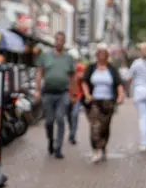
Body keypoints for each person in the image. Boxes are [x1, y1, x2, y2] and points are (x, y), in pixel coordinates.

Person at [80, 43, 125, 163]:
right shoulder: (91, 67)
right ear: (96, 54)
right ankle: (95, 150)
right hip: (94, 101)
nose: (101, 56)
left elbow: (118, 83)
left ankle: (103, 146)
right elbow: (84, 81)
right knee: (95, 126)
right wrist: (87, 95)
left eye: (103, 53)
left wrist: (120, 96)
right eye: (99, 53)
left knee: (105, 127)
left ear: (106, 55)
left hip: (108, 101)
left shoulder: (111, 69)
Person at [35, 31, 76, 159]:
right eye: (57, 39)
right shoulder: (46, 56)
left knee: (60, 119)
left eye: (61, 40)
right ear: (54, 41)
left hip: (62, 93)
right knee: (49, 121)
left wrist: (72, 93)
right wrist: (36, 90)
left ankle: (58, 148)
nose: (59, 42)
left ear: (64, 42)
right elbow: (39, 73)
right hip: (48, 93)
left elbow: (72, 77)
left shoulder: (68, 58)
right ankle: (51, 141)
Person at [67, 61, 87, 145]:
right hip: (66, 96)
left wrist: (80, 75)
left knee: (74, 114)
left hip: (77, 96)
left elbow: (83, 76)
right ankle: (71, 130)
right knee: (69, 116)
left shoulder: (80, 67)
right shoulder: (65, 67)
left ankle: (73, 135)